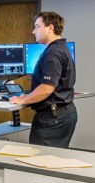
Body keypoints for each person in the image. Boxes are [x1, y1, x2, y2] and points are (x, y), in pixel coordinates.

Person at [9, 11, 77, 148]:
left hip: (53, 117)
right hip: (64, 113)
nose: (34, 31)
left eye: (37, 26)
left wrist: (23, 99)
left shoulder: (53, 53)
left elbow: (47, 88)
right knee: (54, 158)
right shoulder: (61, 48)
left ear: (50, 28)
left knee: (41, 159)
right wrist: (29, 95)